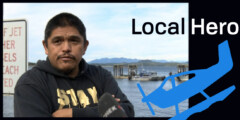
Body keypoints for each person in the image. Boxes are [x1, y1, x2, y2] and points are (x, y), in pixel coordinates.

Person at [14, 12, 134, 117]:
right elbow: (116, 113)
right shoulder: (31, 84)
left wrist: (71, 113)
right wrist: (106, 110)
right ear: (46, 46)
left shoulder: (101, 76)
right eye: (57, 41)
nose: (66, 48)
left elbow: (127, 111)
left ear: (85, 46)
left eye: (74, 40)